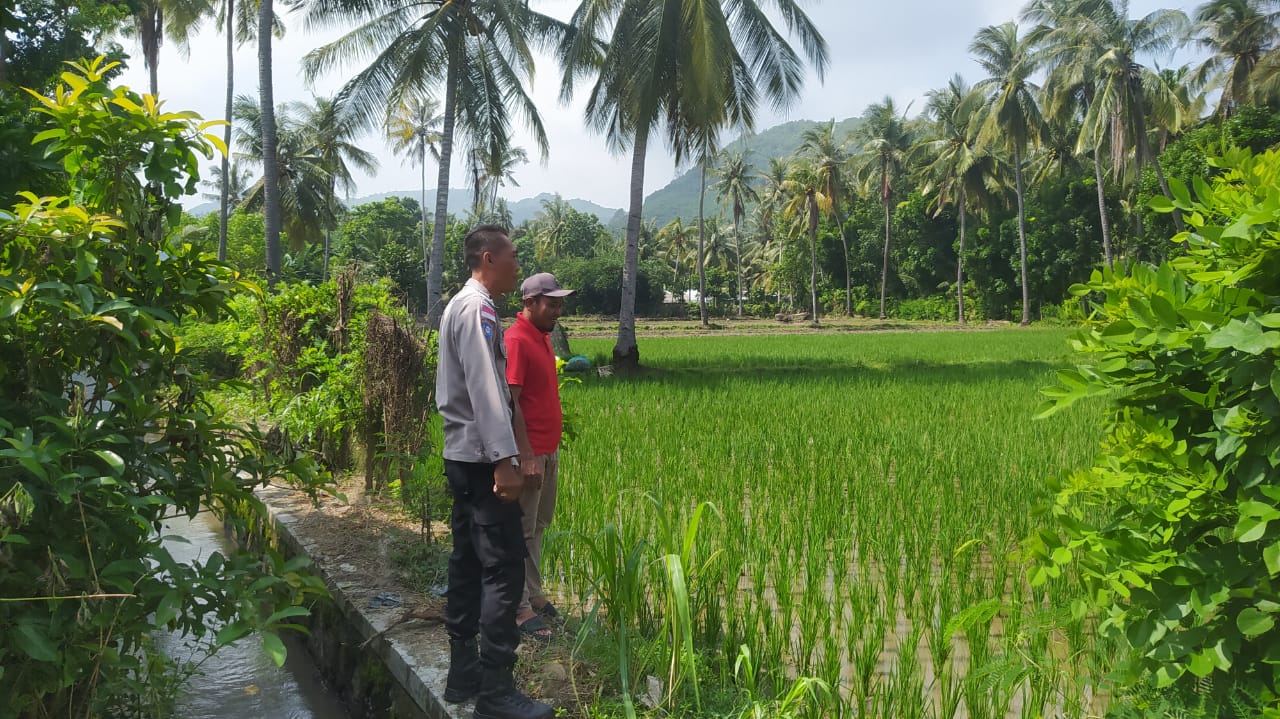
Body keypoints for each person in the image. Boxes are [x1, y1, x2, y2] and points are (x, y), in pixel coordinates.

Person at [436, 225, 553, 719]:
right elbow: (488, 392)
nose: (516, 265)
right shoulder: (479, 309)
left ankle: (463, 674)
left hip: (462, 456)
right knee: (504, 568)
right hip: (483, 459)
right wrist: (506, 462)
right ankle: (496, 690)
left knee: (466, 561)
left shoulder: (459, 304)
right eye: (512, 257)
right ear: (489, 258)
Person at [504, 272, 573, 642]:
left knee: (540, 525)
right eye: (552, 303)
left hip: (549, 449)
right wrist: (526, 455)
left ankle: (534, 592)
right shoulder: (516, 340)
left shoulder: (542, 338)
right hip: (531, 454)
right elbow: (511, 401)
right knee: (521, 529)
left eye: (560, 304)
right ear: (530, 303)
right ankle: (517, 607)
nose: (558, 310)